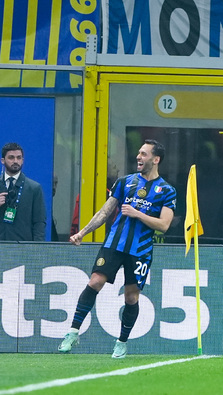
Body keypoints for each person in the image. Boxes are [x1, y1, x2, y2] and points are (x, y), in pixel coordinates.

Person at [58, 139, 176, 358]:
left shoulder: (167, 191)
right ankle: (73, 332)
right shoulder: (125, 182)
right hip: (114, 244)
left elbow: (164, 225)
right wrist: (82, 233)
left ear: (156, 159)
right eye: (139, 153)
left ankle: (121, 342)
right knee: (95, 282)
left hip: (140, 250)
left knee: (131, 298)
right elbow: (104, 212)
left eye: (144, 154)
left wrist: (138, 213)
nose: (139, 157)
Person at [0, 142, 46, 241]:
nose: (15, 161)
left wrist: (37, 248)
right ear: (2, 160)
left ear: (23, 160)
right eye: (11, 157)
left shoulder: (34, 188)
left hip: (23, 247)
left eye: (19, 158)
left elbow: (39, 222)